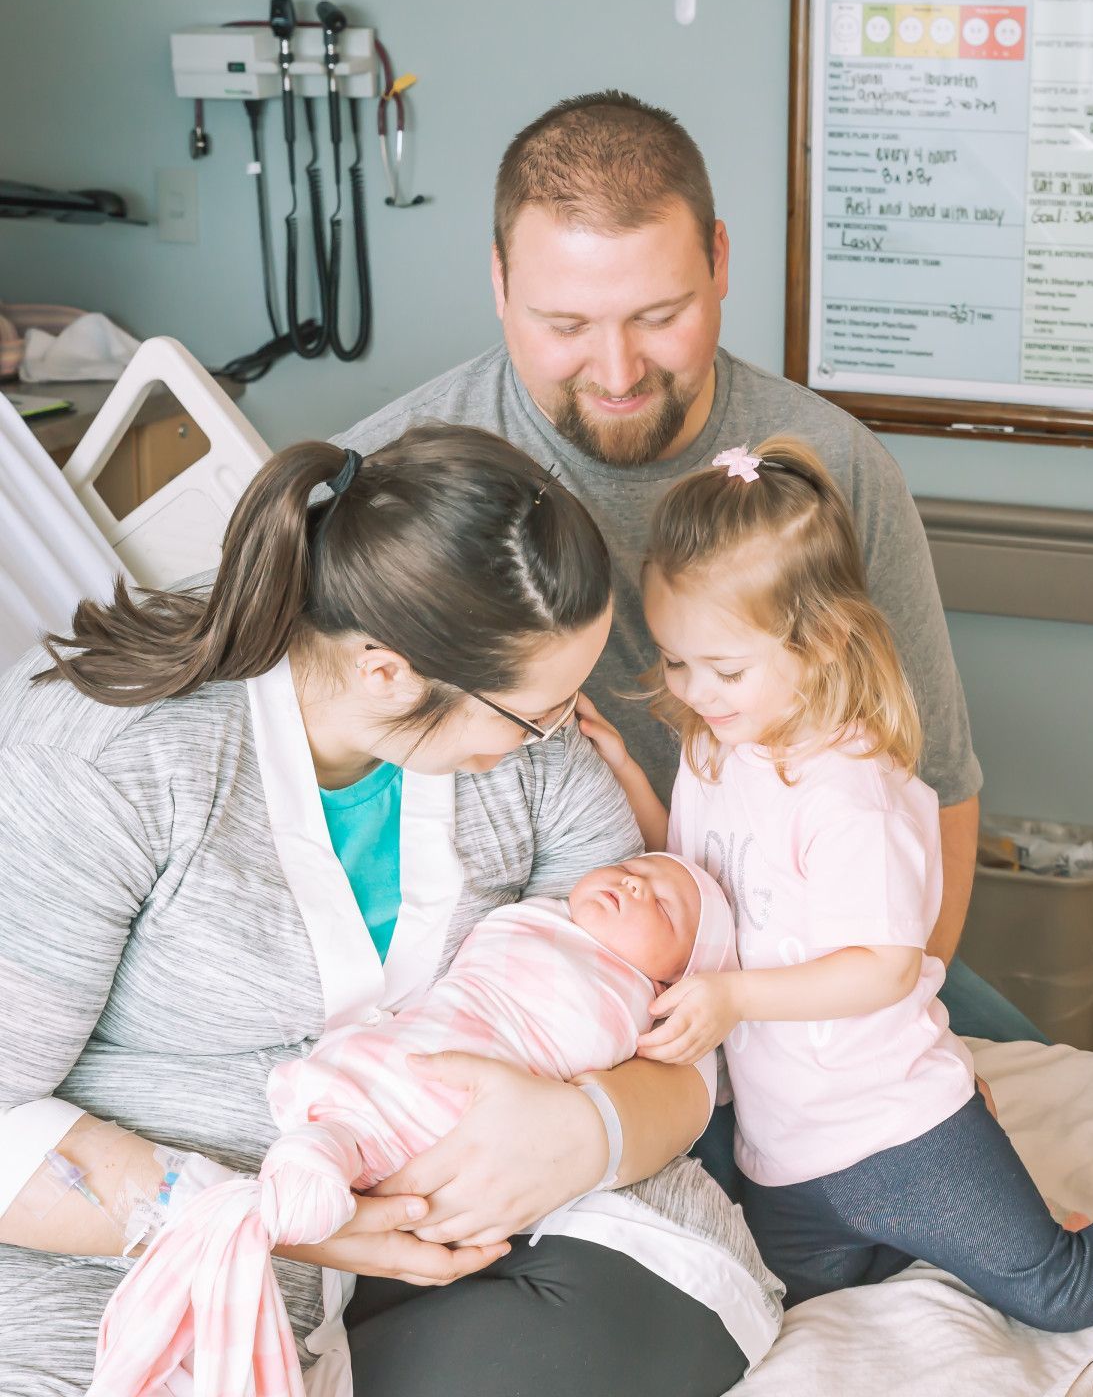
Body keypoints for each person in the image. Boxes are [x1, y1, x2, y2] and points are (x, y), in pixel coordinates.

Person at [0, 426, 768, 1397]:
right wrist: (280, 1218)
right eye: (534, 711)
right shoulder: (105, 762)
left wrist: (589, 1127)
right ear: (386, 671)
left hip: (490, 1211)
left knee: (674, 1308)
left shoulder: (531, 746)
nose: (566, 733)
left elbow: (683, 1022)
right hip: (163, 1225)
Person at [336, 91, 1047, 1079]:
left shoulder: (833, 468)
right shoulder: (387, 478)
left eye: (660, 316)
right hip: (549, 959)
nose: (618, 368)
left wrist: (865, 1055)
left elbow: (937, 783)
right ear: (499, 284)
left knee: (1005, 1098)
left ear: (719, 262)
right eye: (565, 323)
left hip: (806, 939)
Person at [583, 437, 1093, 1331]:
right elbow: (694, 883)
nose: (695, 690)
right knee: (784, 1309)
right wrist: (627, 776)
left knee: (1056, 1290)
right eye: (677, 661)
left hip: (896, 1129)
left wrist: (730, 997)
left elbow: (883, 967)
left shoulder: (847, 790)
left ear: (824, 638)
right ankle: (989, 1228)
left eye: (724, 670)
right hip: (786, 1149)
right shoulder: (715, 746)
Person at [90, 853, 780, 1397]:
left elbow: (692, 1081)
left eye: (661, 902)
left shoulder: (548, 786)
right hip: (366, 1217)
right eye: (633, 872)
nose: (633, 885)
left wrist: (588, 1124)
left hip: (612, 1233)